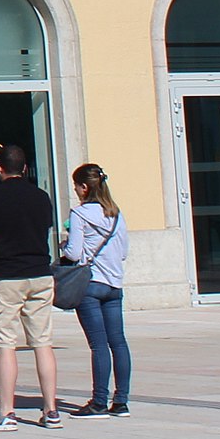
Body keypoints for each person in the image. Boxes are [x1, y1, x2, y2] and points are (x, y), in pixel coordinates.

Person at [0, 143, 63, 431]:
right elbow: (45, 234)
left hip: (7, 276)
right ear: (25, 168)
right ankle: (50, 410)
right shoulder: (41, 197)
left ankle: (6, 413)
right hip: (39, 273)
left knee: (5, 344)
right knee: (42, 342)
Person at [61, 162, 131, 416]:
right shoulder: (115, 213)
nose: (76, 191)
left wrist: (63, 244)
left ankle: (99, 401)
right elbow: (123, 252)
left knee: (98, 345)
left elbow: (74, 252)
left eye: (76, 186)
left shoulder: (79, 214)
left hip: (91, 285)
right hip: (114, 284)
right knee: (119, 343)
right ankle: (121, 401)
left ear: (83, 187)